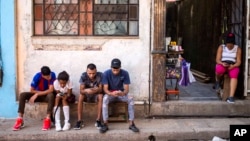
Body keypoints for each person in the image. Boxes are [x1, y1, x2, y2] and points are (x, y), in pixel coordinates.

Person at [99, 58, 139, 133]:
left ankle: (132, 123)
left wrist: (122, 93)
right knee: (104, 99)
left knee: (131, 98)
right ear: (111, 67)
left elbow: (126, 89)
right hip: (110, 94)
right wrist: (111, 93)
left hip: (121, 93)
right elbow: (105, 89)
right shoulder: (106, 74)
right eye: (114, 69)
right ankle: (105, 124)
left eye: (117, 69)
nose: (115, 71)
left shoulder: (125, 73)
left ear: (120, 67)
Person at [12, 66, 56, 131]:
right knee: (22, 95)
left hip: (46, 96)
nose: (49, 77)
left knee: (51, 95)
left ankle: (48, 119)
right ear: (42, 75)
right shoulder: (37, 76)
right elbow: (31, 90)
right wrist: (36, 94)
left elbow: (51, 90)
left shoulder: (52, 75)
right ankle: (20, 119)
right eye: (47, 77)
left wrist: (37, 93)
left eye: (49, 75)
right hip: (37, 96)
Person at [74, 63, 103, 130]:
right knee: (81, 96)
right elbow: (81, 91)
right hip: (87, 95)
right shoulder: (83, 75)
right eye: (89, 73)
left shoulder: (100, 75)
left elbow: (101, 89)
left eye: (93, 73)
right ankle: (79, 121)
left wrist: (94, 90)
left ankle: (98, 120)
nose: (91, 75)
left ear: (96, 71)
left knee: (101, 96)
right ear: (86, 71)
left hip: (96, 95)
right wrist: (87, 90)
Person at [215, 32, 242, 103]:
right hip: (223, 64)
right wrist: (222, 63)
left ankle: (231, 97)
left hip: (232, 65)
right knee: (218, 69)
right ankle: (218, 81)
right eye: (228, 44)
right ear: (226, 43)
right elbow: (217, 60)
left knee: (235, 74)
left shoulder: (237, 49)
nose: (229, 45)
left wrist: (233, 66)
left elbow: (239, 62)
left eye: (231, 44)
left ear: (234, 43)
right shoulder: (221, 47)